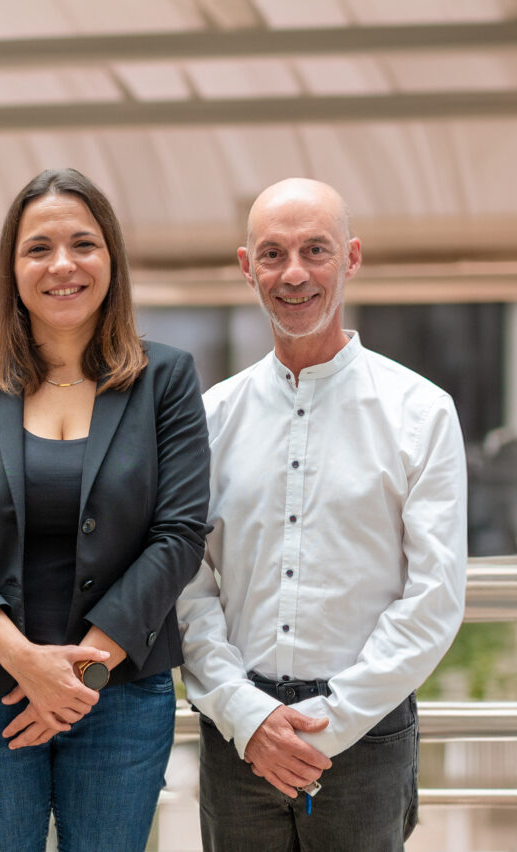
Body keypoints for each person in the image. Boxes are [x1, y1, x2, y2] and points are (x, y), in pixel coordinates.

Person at [0, 168, 211, 852]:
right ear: (12, 269)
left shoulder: (166, 379)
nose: (62, 265)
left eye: (83, 244)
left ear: (112, 258)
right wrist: (27, 664)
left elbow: (179, 535)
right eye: (38, 248)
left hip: (120, 693)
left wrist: (78, 677)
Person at [178, 178, 468, 851]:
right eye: (273, 254)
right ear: (247, 266)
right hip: (237, 735)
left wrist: (329, 724)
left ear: (351, 258)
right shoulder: (209, 418)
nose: (295, 273)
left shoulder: (421, 412)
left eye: (316, 250)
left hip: (367, 736)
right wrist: (245, 714)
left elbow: (435, 594)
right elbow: (186, 585)